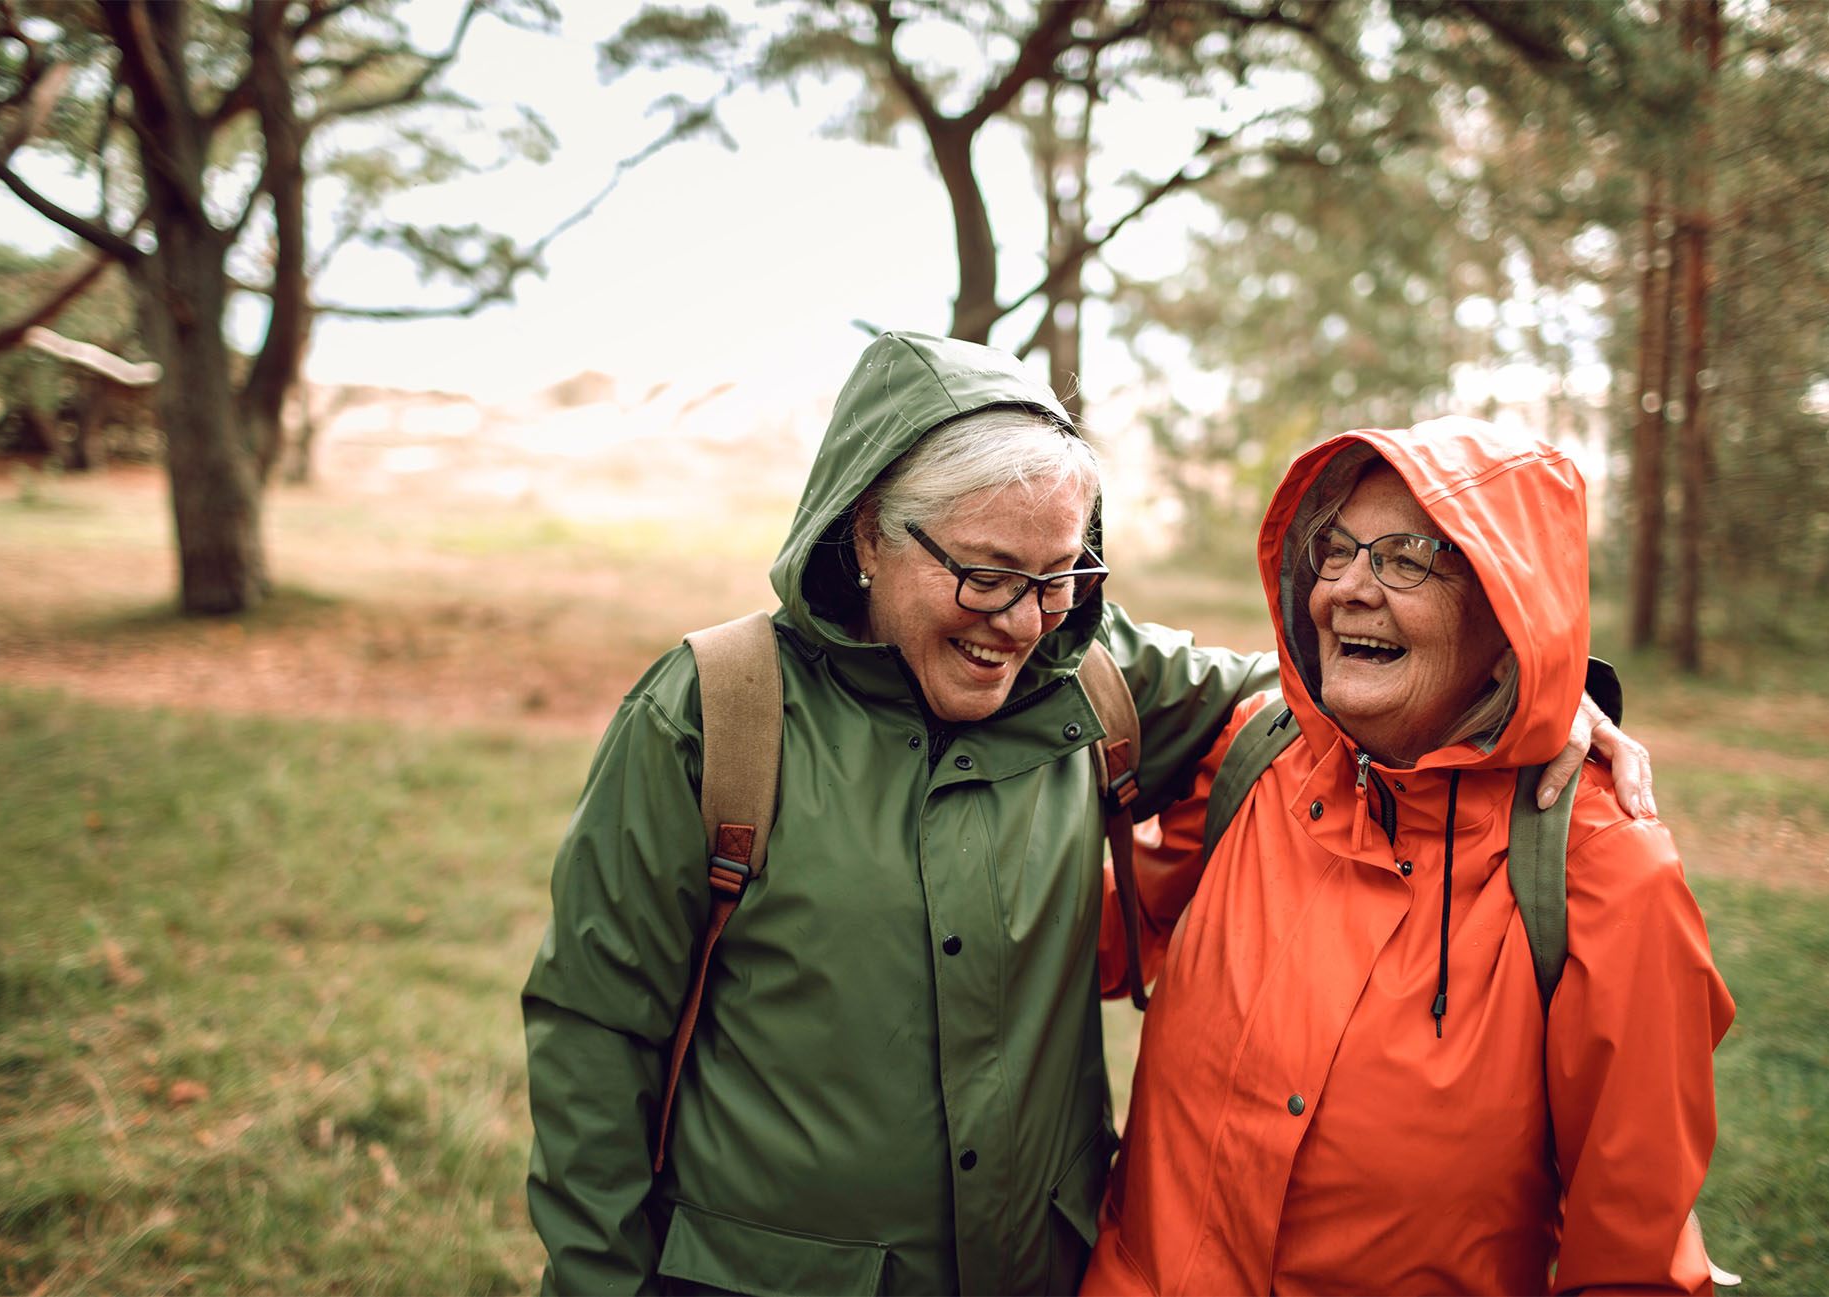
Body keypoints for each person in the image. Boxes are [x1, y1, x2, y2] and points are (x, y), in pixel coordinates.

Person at [521, 335, 1649, 1296]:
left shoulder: (1093, 678)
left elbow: (1327, 687)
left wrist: (1543, 701)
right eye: (986, 574)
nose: (1022, 622)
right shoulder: (713, 712)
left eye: (1063, 574)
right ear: (867, 533)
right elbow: (594, 1027)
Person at [1081, 417, 1733, 1297]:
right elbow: (1110, 935)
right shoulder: (1256, 757)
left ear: (1511, 607)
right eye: (1338, 549)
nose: (1347, 588)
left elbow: (1633, 1263)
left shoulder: (1608, 878)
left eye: (1405, 558)